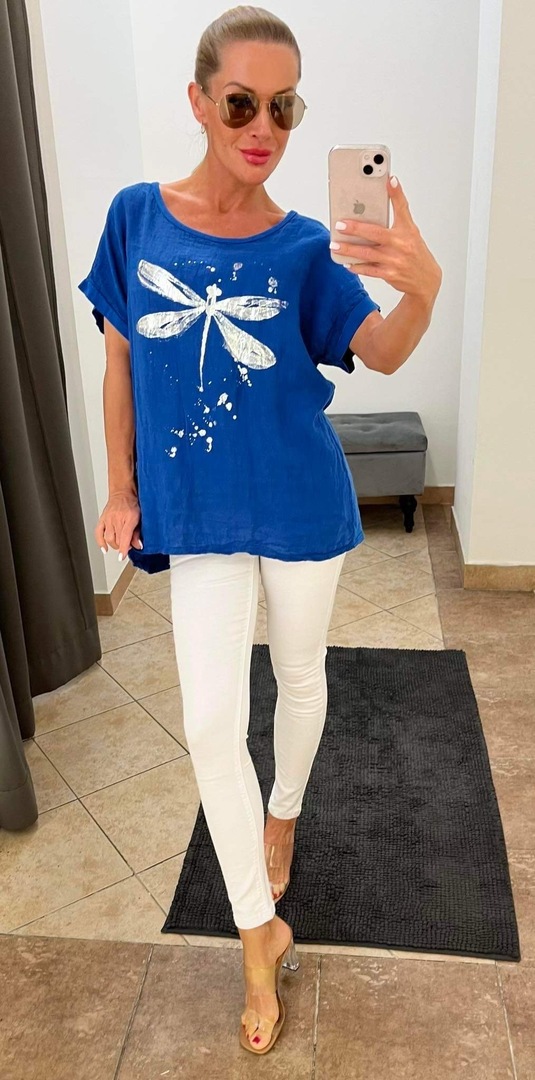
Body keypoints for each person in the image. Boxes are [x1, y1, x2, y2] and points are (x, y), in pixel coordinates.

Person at [78, 5, 441, 1055]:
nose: (263, 127)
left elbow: (382, 349)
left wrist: (422, 289)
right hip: (198, 514)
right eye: (241, 102)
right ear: (198, 102)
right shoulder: (136, 217)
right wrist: (121, 487)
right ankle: (256, 932)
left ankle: (284, 807)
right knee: (207, 724)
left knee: (299, 676)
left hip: (299, 500)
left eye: (284, 107)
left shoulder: (303, 247)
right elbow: (118, 358)